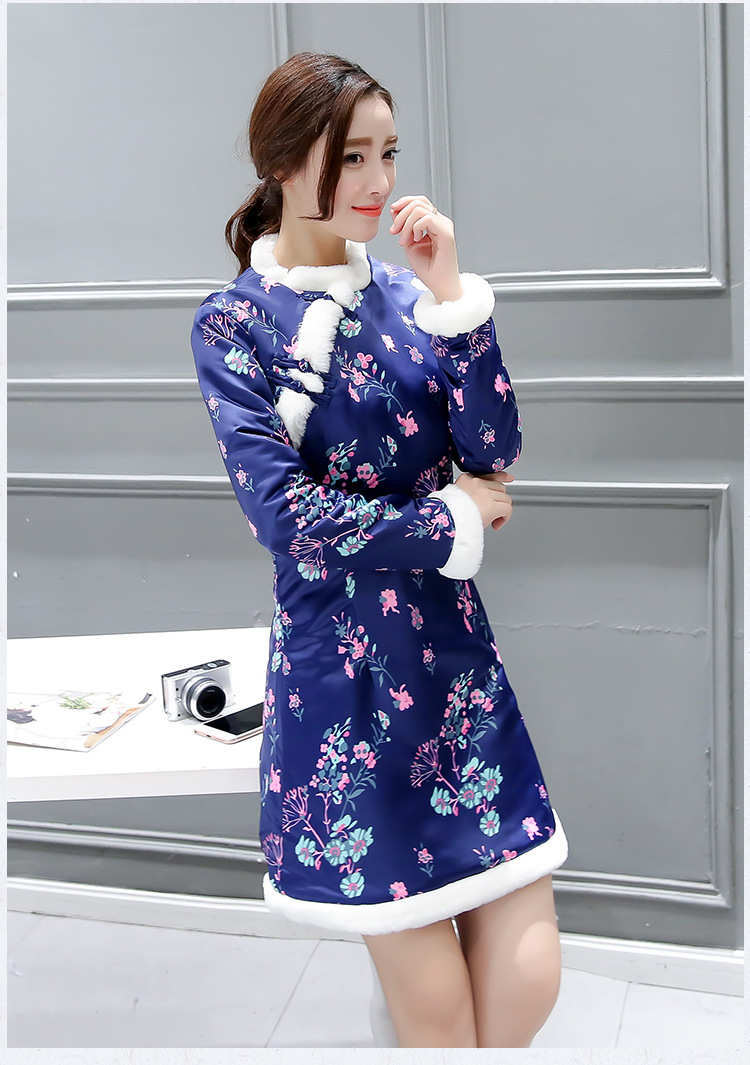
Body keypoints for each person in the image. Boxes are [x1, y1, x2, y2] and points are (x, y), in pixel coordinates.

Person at [191, 51, 569, 1049]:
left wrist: (452, 297)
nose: (378, 180)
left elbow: (495, 451)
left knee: (529, 978)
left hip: (454, 663)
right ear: (283, 163)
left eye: (387, 153)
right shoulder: (234, 325)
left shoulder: (408, 297)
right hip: (346, 682)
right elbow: (285, 516)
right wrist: (446, 521)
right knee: (436, 1010)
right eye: (350, 156)